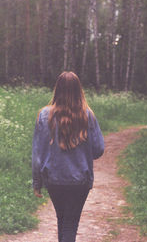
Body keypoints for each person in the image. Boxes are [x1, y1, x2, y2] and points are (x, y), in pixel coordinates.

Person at [32, 71, 104, 242]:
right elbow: (98, 149)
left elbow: (38, 154)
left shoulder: (44, 115)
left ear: (57, 89)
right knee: (70, 224)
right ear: (79, 90)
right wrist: (82, 153)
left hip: (54, 179)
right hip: (80, 181)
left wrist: (37, 182)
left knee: (63, 220)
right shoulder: (87, 115)